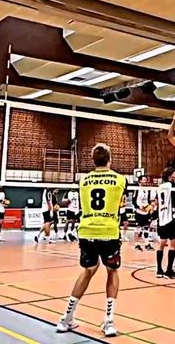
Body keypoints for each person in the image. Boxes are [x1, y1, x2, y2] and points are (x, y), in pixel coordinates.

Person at [56, 143, 126, 337]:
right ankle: (109, 322)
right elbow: (120, 201)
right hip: (109, 231)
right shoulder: (120, 179)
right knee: (112, 272)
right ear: (110, 159)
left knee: (87, 271)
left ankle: (66, 318)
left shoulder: (84, 180)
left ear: (93, 160)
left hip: (87, 231)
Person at [156, 167, 175, 278]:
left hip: (162, 218)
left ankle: (159, 270)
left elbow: (157, 202)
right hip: (171, 218)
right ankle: (169, 270)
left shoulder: (160, 186)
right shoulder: (172, 185)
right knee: (174, 244)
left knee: (161, 244)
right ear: (170, 175)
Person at [133, 176, 156, 251]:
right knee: (138, 228)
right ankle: (137, 245)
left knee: (146, 228)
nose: (145, 181)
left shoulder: (149, 190)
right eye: (144, 180)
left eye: (146, 180)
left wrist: (151, 207)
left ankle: (147, 244)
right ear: (140, 181)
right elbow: (134, 201)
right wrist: (139, 207)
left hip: (146, 212)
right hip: (139, 212)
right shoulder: (137, 189)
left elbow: (152, 200)